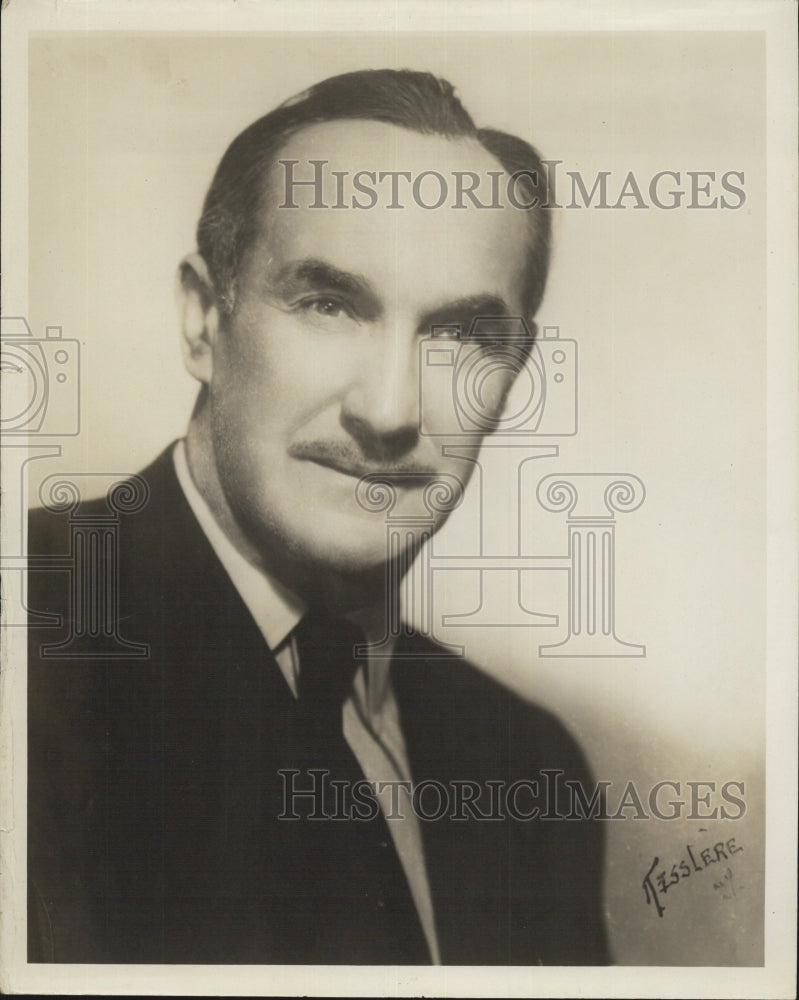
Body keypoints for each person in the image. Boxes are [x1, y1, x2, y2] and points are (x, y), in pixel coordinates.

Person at [27, 69, 610, 965]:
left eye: (459, 336)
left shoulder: (525, 770)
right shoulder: (29, 648)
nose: (387, 411)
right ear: (200, 320)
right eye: (329, 305)